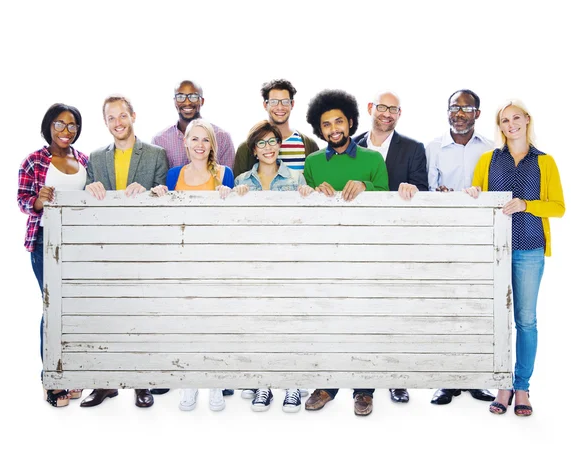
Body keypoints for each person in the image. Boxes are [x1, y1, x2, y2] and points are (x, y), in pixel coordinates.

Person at [303, 89, 417, 416]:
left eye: (339, 121)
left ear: (352, 122)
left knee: (364, 319)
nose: (334, 128)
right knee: (327, 318)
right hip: (326, 253)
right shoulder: (312, 163)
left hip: (366, 252)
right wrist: (312, 193)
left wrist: (366, 187)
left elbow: (385, 198)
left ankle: (364, 390)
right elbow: (306, 208)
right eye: (326, 124)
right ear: (319, 129)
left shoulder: (372, 159)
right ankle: (326, 384)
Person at [464, 99, 565, 416]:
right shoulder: (488, 160)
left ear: (527, 120)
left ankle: (521, 387)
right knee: (496, 321)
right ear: (500, 126)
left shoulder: (544, 162)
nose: (511, 124)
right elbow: (476, 198)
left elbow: (558, 207)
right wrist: (472, 194)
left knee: (526, 320)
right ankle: (502, 384)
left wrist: (526, 204)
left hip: (530, 249)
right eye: (505, 120)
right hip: (494, 252)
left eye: (516, 118)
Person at [81, 94, 168, 408]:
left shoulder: (157, 154)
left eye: (122, 116)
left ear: (133, 116)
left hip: (144, 246)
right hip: (107, 248)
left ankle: (141, 384)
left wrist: (147, 193)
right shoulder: (95, 158)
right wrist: (89, 190)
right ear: (105, 123)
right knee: (106, 316)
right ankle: (105, 384)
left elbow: (163, 198)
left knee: (142, 316)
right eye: (111, 118)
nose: (117, 123)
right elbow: (86, 205)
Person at [152, 119, 234, 411]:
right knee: (186, 321)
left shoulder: (225, 174)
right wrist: (160, 195)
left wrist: (230, 195)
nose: (200, 145)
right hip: (184, 255)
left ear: (213, 145)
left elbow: (233, 220)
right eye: (194, 139)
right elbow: (167, 218)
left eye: (206, 140)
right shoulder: (174, 174)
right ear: (184, 143)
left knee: (214, 322)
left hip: (215, 256)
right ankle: (188, 383)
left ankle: (214, 383)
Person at [353, 91, 429, 404]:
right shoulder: (351, 146)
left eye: (393, 110)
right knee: (360, 312)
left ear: (399, 114)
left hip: (397, 242)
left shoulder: (413, 148)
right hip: (357, 242)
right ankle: (363, 387)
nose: (387, 114)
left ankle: (397, 378)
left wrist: (412, 189)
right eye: (382, 107)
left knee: (397, 310)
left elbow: (423, 190)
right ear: (371, 108)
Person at [232, 120, 314, 412]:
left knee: (290, 323)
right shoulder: (242, 181)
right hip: (255, 262)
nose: (268, 148)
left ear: (280, 146)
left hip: (288, 260)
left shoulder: (296, 179)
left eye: (273, 142)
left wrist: (307, 198)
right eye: (261, 143)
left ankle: (291, 384)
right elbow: (235, 229)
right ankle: (263, 384)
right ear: (254, 150)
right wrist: (235, 198)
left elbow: (306, 225)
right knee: (259, 324)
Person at [425, 89, 496, 405]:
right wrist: (438, 195)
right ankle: (447, 380)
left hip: (481, 238)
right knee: (444, 306)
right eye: (454, 107)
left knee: (478, 306)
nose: (459, 112)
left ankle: (476, 379)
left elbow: (497, 192)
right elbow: (425, 190)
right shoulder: (433, 148)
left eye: (466, 108)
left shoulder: (492, 150)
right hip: (444, 237)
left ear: (477, 114)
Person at [17, 103, 88, 407]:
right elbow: (22, 201)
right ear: (48, 126)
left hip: (79, 243)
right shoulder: (34, 161)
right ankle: (51, 378)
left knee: (74, 311)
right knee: (52, 308)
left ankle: (71, 373)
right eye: (59, 124)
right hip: (45, 242)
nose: (65, 131)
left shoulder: (84, 159)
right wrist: (38, 200)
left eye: (72, 126)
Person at [232, 79, 319, 177]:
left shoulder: (309, 145)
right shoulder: (246, 148)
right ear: (265, 105)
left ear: (292, 104)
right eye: (274, 102)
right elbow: (238, 187)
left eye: (285, 102)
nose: (280, 107)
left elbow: (315, 185)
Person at [152, 79, 236, 169]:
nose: (187, 102)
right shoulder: (159, 140)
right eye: (180, 97)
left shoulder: (222, 137)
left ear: (202, 101)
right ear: (175, 101)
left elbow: (228, 178)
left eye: (193, 97)